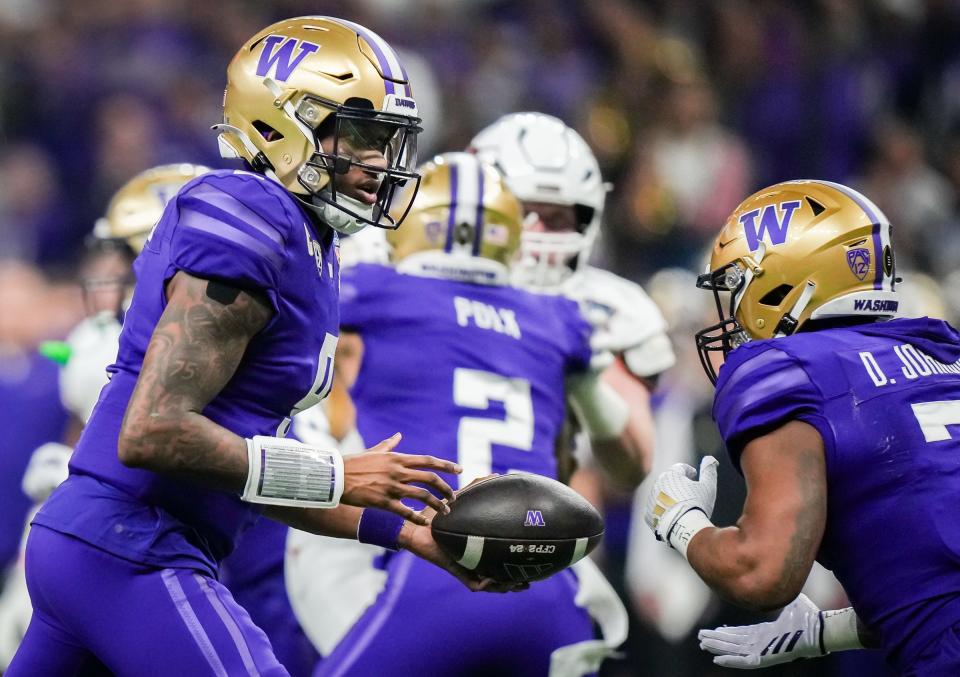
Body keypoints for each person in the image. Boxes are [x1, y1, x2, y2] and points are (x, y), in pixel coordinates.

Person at [7, 17, 497, 676]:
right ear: (279, 123)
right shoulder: (251, 215)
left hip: (111, 542)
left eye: (388, 141)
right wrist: (341, 473)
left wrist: (406, 533)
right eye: (361, 135)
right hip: (131, 542)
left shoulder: (310, 244)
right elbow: (151, 431)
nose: (379, 161)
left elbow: (247, 472)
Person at [287, 152, 632, 677]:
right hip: (547, 576)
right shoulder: (561, 318)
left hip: (433, 569)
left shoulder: (374, 288)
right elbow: (625, 449)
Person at [643, 179, 960, 676]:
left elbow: (761, 573)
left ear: (786, 281)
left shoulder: (786, 370)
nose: (730, 313)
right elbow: (930, 585)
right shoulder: (941, 354)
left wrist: (682, 524)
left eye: (736, 286)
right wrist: (826, 632)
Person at [0, 163, 210, 669]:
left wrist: (76, 483)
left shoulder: (156, 355)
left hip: (160, 561)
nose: (111, 280)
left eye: (126, 260)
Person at [469, 112, 674, 492]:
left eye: (556, 218)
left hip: (530, 524)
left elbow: (632, 467)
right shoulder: (410, 280)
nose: (537, 232)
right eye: (523, 212)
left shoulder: (600, 309)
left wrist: (587, 381)